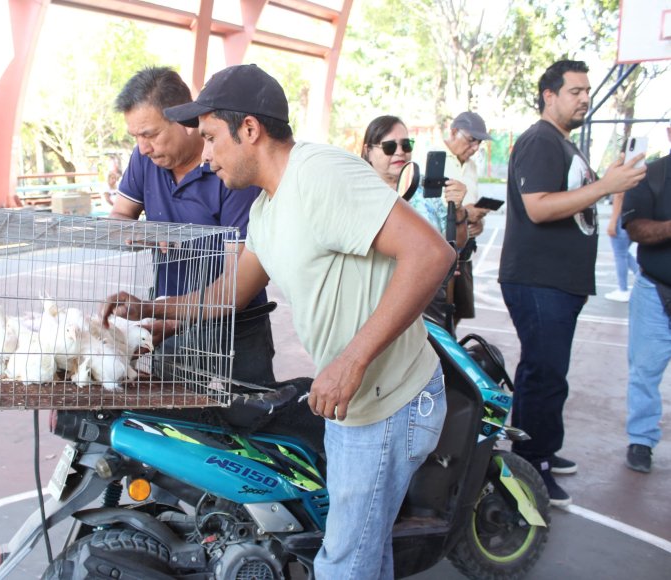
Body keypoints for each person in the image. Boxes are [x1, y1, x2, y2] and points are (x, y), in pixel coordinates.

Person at [106, 64, 455, 580]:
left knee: (344, 561)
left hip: (391, 402)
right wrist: (151, 310)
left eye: (210, 138)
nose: (204, 155)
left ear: (250, 130)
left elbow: (430, 253)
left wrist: (351, 360)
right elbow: (227, 293)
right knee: (362, 549)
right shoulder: (268, 209)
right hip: (354, 405)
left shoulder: (319, 174)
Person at [498, 59, 647, 506]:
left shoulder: (564, 144)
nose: (584, 98)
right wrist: (606, 186)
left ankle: (533, 452)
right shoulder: (540, 141)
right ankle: (533, 464)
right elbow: (540, 207)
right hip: (539, 281)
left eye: (586, 91)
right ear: (550, 95)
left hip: (557, 283)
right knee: (546, 375)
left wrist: (607, 181)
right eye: (575, 91)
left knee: (543, 373)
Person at [110, 66, 276, 385]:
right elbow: (119, 217)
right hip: (164, 323)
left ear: (185, 121)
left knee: (241, 424)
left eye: (150, 134)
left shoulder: (232, 169)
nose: (143, 147)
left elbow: (237, 285)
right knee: (173, 427)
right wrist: (136, 231)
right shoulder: (145, 159)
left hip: (233, 333)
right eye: (136, 137)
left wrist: (165, 316)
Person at [361, 114, 468, 326]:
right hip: (371, 305)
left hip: (428, 306)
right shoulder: (355, 194)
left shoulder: (428, 193)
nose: (400, 152)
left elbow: (459, 243)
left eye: (406, 144)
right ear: (368, 151)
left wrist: (457, 210)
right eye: (390, 146)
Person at [621, 124, 671, 473]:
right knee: (645, 369)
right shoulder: (652, 174)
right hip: (656, 289)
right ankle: (641, 439)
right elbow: (635, 228)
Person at [443, 112, 493, 326]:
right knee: (437, 311)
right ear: (453, 132)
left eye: (478, 143)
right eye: (471, 140)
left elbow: (472, 201)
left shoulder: (471, 166)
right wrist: (462, 213)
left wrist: (478, 222)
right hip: (442, 247)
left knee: (460, 310)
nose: (474, 148)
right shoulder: (433, 158)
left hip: (465, 250)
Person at [605, 189, 638, 302]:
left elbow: (619, 195)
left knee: (620, 254)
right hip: (635, 216)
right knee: (624, 253)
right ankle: (641, 276)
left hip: (622, 217)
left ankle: (623, 289)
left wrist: (613, 221)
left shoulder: (624, 171)